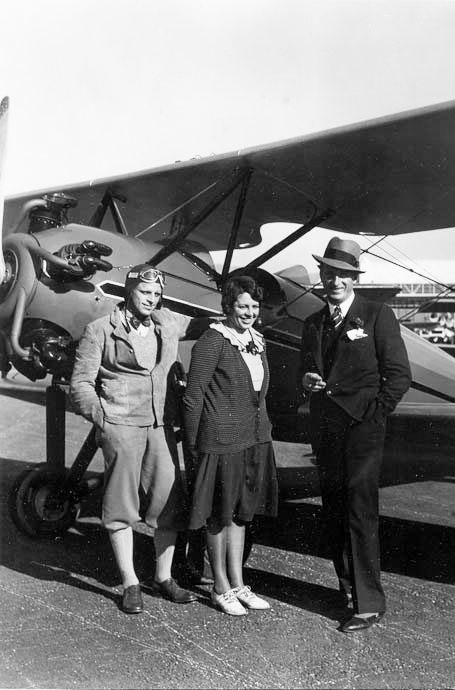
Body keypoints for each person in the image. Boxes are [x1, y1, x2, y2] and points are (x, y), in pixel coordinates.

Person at [70, 264, 198, 614]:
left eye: (157, 294)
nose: (152, 299)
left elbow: (205, 322)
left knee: (169, 497)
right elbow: (80, 383)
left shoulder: (167, 321)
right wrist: (104, 420)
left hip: (159, 424)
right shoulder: (100, 330)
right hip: (121, 424)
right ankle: (129, 583)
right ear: (129, 292)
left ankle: (164, 577)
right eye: (145, 293)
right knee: (120, 504)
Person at [300, 237, 411, 633]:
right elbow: (305, 369)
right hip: (326, 429)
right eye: (329, 273)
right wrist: (308, 380)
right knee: (333, 511)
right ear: (322, 275)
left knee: (360, 512)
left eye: (343, 275)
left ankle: (369, 604)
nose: (335, 281)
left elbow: (399, 376)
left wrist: (374, 416)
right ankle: (347, 589)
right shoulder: (313, 322)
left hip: (363, 430)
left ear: (354, 279)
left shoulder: (377, 314)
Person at [182, 275, 278, 616]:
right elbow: (193, 397)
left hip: (252, 439)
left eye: (254, 306)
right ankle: (219, 587)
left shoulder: (258, 340)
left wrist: (263, 433)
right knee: (217, 516)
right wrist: (194, 446)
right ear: (228, 306)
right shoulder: (212, 341)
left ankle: (238, 583)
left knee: (239, 515)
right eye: (242, 305)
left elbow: (259, 395)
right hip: (218, 440)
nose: (249, 311)